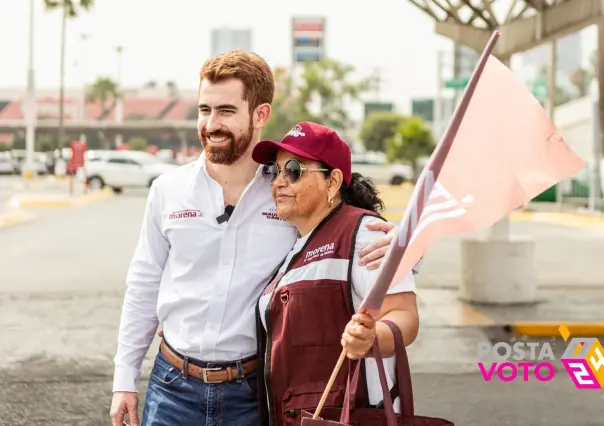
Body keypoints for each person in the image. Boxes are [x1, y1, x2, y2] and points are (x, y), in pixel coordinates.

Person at [109, 50, 397, 426]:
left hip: (252, 392)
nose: (211, 123)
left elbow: (348, 231)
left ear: (260, 114)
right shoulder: (168, 189)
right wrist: (124, 379)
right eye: (204, 110)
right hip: (171, 386)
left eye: (226, 111)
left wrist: (402, 247)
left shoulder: (285, 192)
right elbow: (143, 285)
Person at [251, 121, 420, 426]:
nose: (278, 182)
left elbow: (404, 317)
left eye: (293, 169)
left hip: (348, 414)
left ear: (332, 182)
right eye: (275, 172)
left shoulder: (365, 234)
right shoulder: (296, 244)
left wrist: (369, 339)